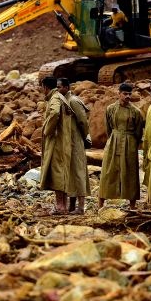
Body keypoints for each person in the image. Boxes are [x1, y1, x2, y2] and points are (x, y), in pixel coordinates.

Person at [99, 82, 144, 210]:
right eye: (125, 94)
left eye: (129, 94)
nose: (127, 96)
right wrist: (113, 139)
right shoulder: (110, 109)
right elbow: (108, 128)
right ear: (119, 94)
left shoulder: (136, 111)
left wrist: (132, 142)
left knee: (130, 172)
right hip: (113, 141)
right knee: (108, 171)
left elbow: (138, 131)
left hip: (130, 142)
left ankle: (132, 205)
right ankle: (101, 203)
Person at [39, 76, 72, 215]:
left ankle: (60, 206)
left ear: (45, 87)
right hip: (63, 139)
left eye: (42, 88)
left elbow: (55, 113)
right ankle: (63, 206)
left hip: (56, 141)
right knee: (62, 171)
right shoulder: (60, 96)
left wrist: (47, 130)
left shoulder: (54, 98)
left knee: (56, 171)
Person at [57, 78, 90, 215]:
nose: (57, 89)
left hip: (76, 141)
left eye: (59, 87)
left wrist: (84, 137)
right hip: (68, 142)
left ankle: (81, 207)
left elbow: (83, 122)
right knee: (70, 173)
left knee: (78, 172)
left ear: (66, 87)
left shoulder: (74, 101)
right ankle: (71, 206)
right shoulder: (63, 101)